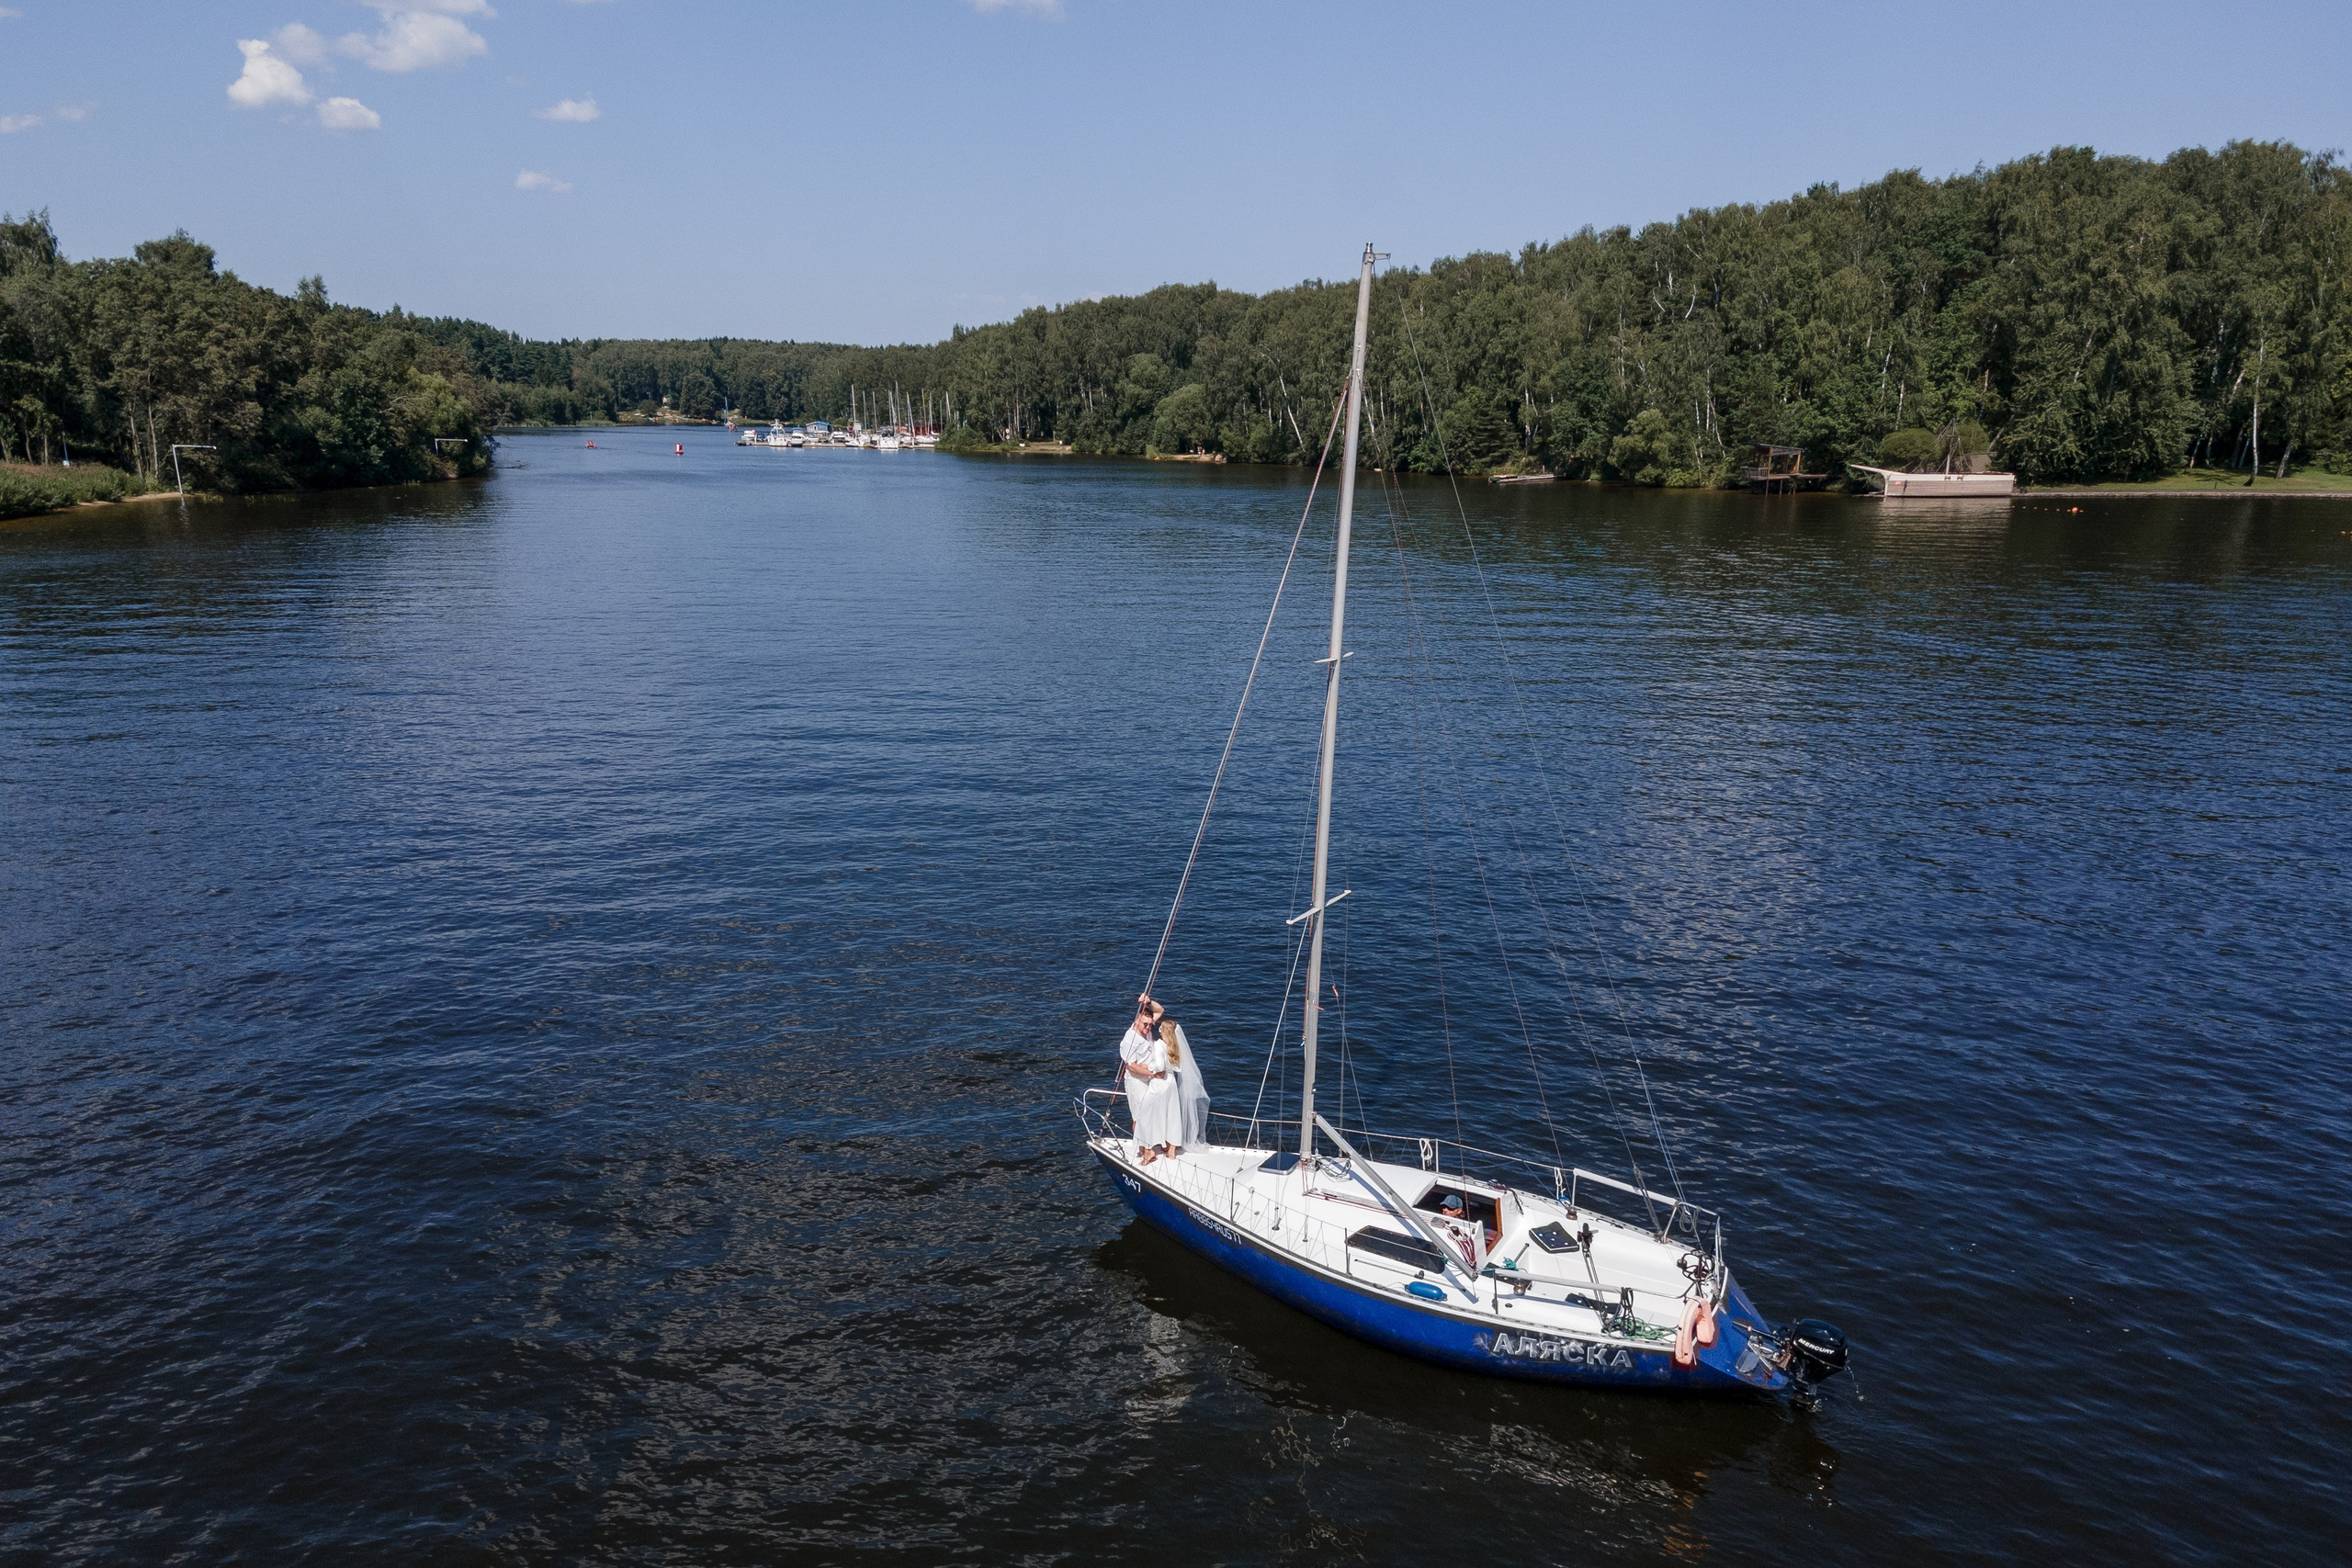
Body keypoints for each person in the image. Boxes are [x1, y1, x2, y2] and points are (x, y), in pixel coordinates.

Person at [1117, 995, 1168, 1162]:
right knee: (1139, 1117)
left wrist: (1148, 1002)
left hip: (1149, 1078)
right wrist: (1153, 1073)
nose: (1148, 1028)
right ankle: (1144, 1151)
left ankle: (1151, 1146)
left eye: (1150, 1024)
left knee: (1150, 1113)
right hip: (1136, 1081)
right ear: (1137, 1020)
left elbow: (1160, 1010)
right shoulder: (1129, 1040)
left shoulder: (1147, 1028)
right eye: (1145, 1024)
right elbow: (1131, 1066)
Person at [1159, 1018, 1212, 1154]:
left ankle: (1164, 1144)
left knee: (1165, 1115)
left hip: (1164, 1084)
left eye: (1161, 1029)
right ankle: (1172, 1147)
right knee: (1174, 1116)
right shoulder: (1177, 1050)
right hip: (1174, 1085)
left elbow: (1158, 1067)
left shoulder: (1160, 1047)